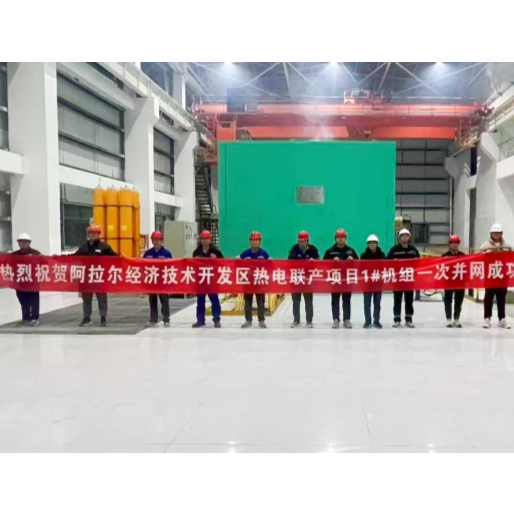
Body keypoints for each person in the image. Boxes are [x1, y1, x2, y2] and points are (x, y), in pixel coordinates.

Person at [75, 224, 117, 328]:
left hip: (100, 277)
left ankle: (103, 317)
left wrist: (122, 258)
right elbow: (73, 258)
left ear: (99, 234)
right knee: (86, 298)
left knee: (102, 298)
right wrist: (58, 258)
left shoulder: (104, 247)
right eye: (90, 233)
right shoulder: (83, 247)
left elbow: (114, 258)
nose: (92, 235)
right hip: (86, 277)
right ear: (88, 234)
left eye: (95, 233)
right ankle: (86, 317)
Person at [323, 229, 359, 329]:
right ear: (335, 238)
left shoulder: (351, 251)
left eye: (342, 237)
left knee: (346, 300)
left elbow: (359, 264)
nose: (340, 239)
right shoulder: (330, 251)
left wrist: (352, 261)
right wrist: (332, 261)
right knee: (335, 300)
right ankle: (335, 319)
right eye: (338, 237)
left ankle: (346, 319)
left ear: (345, 238)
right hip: (335, 279)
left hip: (347, 280)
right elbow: (323, 265)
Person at [481, 223, 513, 330]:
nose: (496, 234)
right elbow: (478, 259)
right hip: (490, 277)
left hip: (502, 277)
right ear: (491, 233)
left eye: (498, 232)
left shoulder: (508, 246)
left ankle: (501, 319)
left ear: (501, 233)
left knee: (501, 298)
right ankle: (487, 318)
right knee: (488, 298)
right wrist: (485, 254)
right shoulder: (485, 246)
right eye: (494, 232)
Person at [387, 229, 421, 328]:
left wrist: (416, 262)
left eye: (406, 236)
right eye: (403, 236)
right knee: (397, 300)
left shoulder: (413, 250)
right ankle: (397, 319)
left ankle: (408, 319)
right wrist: (393, 262)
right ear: (399, 238)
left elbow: (419, 263)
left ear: (409, 237)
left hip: (409, 279)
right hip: (398, 279)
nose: (405, 238)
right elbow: (386, 262)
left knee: (409, 300)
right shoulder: (394, 250)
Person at [192, 230, 224, 329]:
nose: (205, 240)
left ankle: (216, 319)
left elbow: (223, 264)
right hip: (201, 280)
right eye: (203, 238)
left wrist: (216, 260)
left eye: (207, 238)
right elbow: (192, 266)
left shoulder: (216, 251)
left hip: (212, 281)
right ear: (200, 240)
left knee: (214, 301)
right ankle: (200, 320)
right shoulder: (196, 252)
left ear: (210, 239)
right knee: (200, 301)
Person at [288, 231, 320, 329]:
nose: (302, 243)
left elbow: (319, 262)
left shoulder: (313, 250)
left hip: (308, 280)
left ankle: (309, 321)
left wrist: (314, 261)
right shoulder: (294, 249)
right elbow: (288, 262)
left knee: (308, 301)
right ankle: (296, 320)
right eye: (300, 241)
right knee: (296, 302)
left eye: (304, 241)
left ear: (307, 241)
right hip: (296, 280)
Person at [240, 232, 270, 329]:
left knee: (260, 302)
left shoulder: (264, 254)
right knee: (247, 302)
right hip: (248, 282)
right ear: (250, 241)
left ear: (259, 241)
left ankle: (261, 320)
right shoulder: (245, 254)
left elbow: (270, 267)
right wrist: (237, 260)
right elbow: (237, 266)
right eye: (252, 240)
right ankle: (248, 320)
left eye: (256, 240)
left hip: (259, 282)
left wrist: (271, 262)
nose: (254, 242)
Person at [143, 231, 172, 328]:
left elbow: (171, 267)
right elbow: (142, 265)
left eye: (158, 240)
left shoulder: (166, 253)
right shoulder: (148, 253)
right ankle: (153, 319)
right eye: (154, 240)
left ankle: (166, 319)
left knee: (164, 300)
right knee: (152, 301)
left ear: (161, 241)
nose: (156, 242)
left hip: (162, 281)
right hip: (152, 281)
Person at [12, 234, 41, 327]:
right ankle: (26, 318)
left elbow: (43, 264)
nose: (22, 243)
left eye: (25, 241)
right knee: (23, 300)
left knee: (33, 300)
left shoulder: (36, 253)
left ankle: (34, 318)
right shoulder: (14, 255)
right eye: (20, 241)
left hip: (32, 282)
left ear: (29, 243)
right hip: (20, 282)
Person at [360, 235, 386, 329]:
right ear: (367, 244)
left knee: (377, 303)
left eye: (374, 243)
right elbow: (360, 268)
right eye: (370, 243)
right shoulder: (363, 255)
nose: (372, 244)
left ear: (377, 244)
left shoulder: (382, 254)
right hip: (367, 283)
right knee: (367, 303)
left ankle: (376, 321)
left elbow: (386, 266)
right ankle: (367, 321)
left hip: (378, 282)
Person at [443, 235, 466, 328]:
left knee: (458, 301)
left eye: (456, 243)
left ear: (458, 244)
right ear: (449, 244)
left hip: (459, 282)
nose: (454, 245)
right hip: (448, 282)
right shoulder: (444, 256)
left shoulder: (463, 256)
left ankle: (456, 319)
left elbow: (466, 268)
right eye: (452, 243)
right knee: (447, 300)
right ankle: (448, 319)